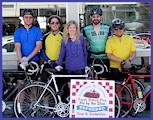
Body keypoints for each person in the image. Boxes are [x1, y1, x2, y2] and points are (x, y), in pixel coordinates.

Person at [55, 20, 87, 89]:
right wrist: (59, 65)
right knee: (71, 90)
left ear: (76, 29)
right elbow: (61, 54)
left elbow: (85, 53)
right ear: (67, 29)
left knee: (80, 89)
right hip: (69, 67)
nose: (72, 30)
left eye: (74, 28)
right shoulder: (64, 40)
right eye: (70, 28)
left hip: (80, 68)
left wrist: (86, 65)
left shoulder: (82, 39)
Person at [14, 8, 42, 86]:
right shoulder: (18, 32)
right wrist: (22, 60)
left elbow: (38, 46)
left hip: (34, 61)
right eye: (26, 17)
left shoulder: (37, 31)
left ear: (33, 19)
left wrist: (28, 58)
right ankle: (20, 99)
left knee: (34, 85)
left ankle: (33, 99)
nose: (28, 19)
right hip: (22, 61)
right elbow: (17, 47)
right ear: (23, 18)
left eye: (30, 17)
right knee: (20, 84)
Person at [83, 7, 112, 79]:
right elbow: (84, 43)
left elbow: (110, 43)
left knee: (103, 80)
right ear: (90, 17)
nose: (96, 18)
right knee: (92, 80)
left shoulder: (107, 28)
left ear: (101, 17)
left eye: (97, 16)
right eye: (93, 17)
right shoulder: (86, 29)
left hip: (104, 57)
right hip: (92, 57)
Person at [40, 15, 63, 81]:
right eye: (52, 23)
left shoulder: (64, 36)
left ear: (59, 25)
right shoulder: (45, 36)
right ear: (49, 24)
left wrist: (60, 61)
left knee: (60, 87)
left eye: (57, 23)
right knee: (47, 87)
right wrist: (48, 60)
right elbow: (42, 50)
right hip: (48, 64)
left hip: (60, 64)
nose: (54, 24)